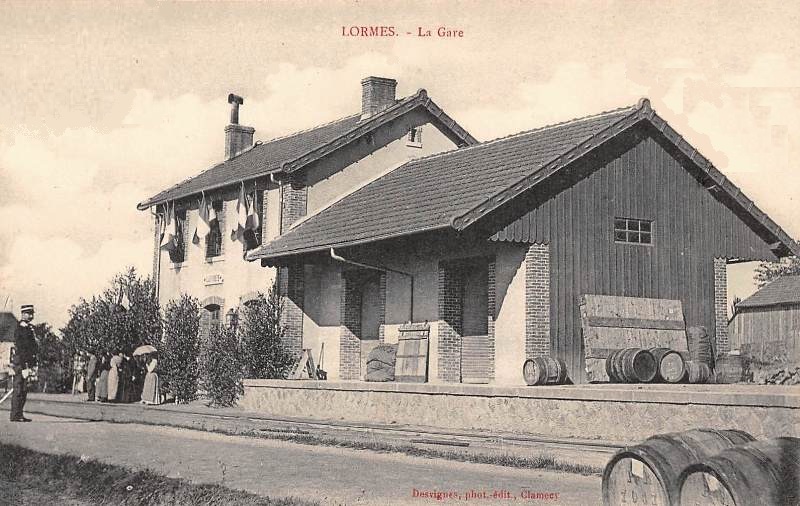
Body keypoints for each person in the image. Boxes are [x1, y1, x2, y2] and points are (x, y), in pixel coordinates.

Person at [10, 304, 38, 422]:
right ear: (22, 314)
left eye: (32, 314)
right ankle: (15, 415)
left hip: (26, 362)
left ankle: (19, 414)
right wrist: (24, 366)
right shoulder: (21, 328)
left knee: (24, 389)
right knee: (19, 389)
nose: (31, 316)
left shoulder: (28, 328)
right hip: (21, 362)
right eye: (28, 313)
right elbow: (21, 348)